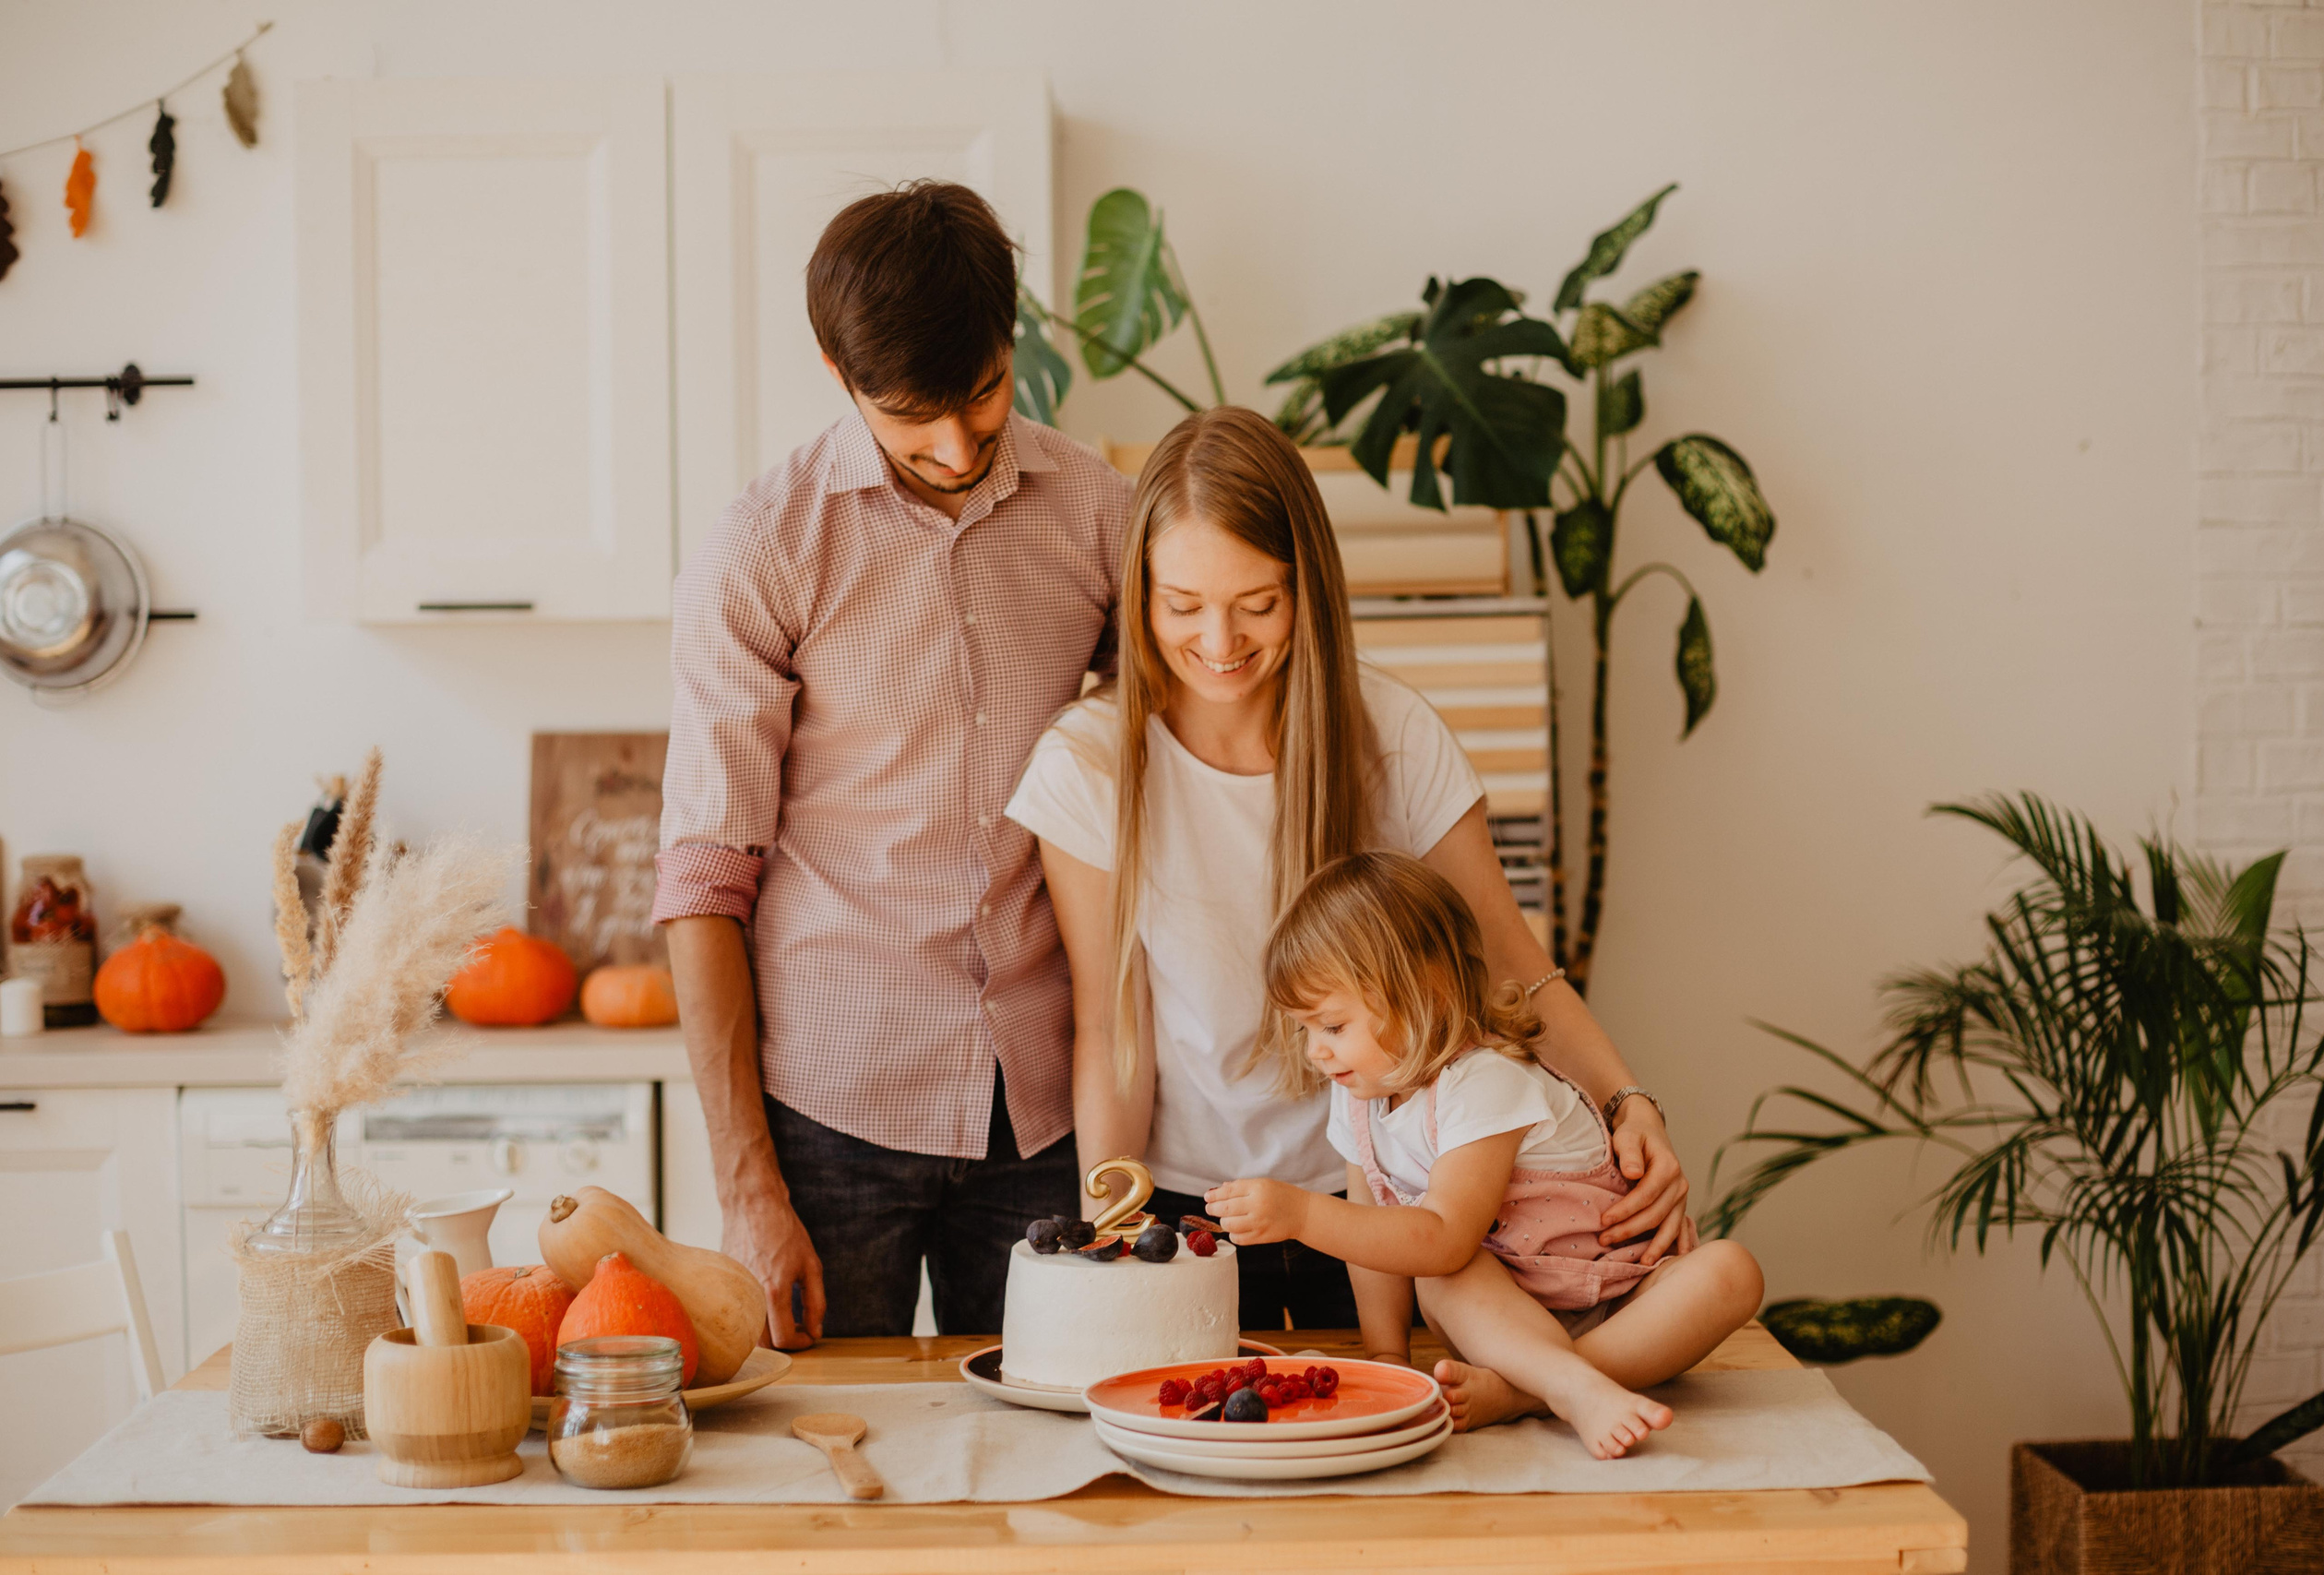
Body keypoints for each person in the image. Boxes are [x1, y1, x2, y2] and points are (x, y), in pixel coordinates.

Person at [1005, 407, 1697, 1341]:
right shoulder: (1086, 764)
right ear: (1138, 595)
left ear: (1309, 587)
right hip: (1195, 1209)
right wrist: (1111, 1234)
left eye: (1258, 603)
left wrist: (1628, 1102)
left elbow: (1509, 964)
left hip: (1393, 1201)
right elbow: (1108, 1026)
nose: (1220, 642)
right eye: (1182, 606)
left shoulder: (1394, 737)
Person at [656, 181, 1130, 1346]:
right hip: (827, 1111)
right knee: (820, 1476)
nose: (957, 445)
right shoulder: (763, 547)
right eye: (912, 412)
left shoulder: (1103, 514)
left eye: (982, 393)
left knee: (1049, 1456)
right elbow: (704, 879)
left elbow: (1184, 761)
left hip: (1047, 1109)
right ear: (836, 372)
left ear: (1013, 344)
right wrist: (746, 1191)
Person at [1209, 851, 1764, 1453]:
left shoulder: (1482, 1079)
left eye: (1333, 1026)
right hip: (1510, 1317)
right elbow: (1377, 1246)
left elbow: (1445, 1232)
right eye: (1305, 1029)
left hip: (1625, 1299)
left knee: (1731, 1271)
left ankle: (1535, 1389)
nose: (1316, 1051)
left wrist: (1303, 1215)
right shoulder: (1358, 1095)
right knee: (1443, 1273)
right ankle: (1556, 1380)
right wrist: (1388, 1356)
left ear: (1425, 992)